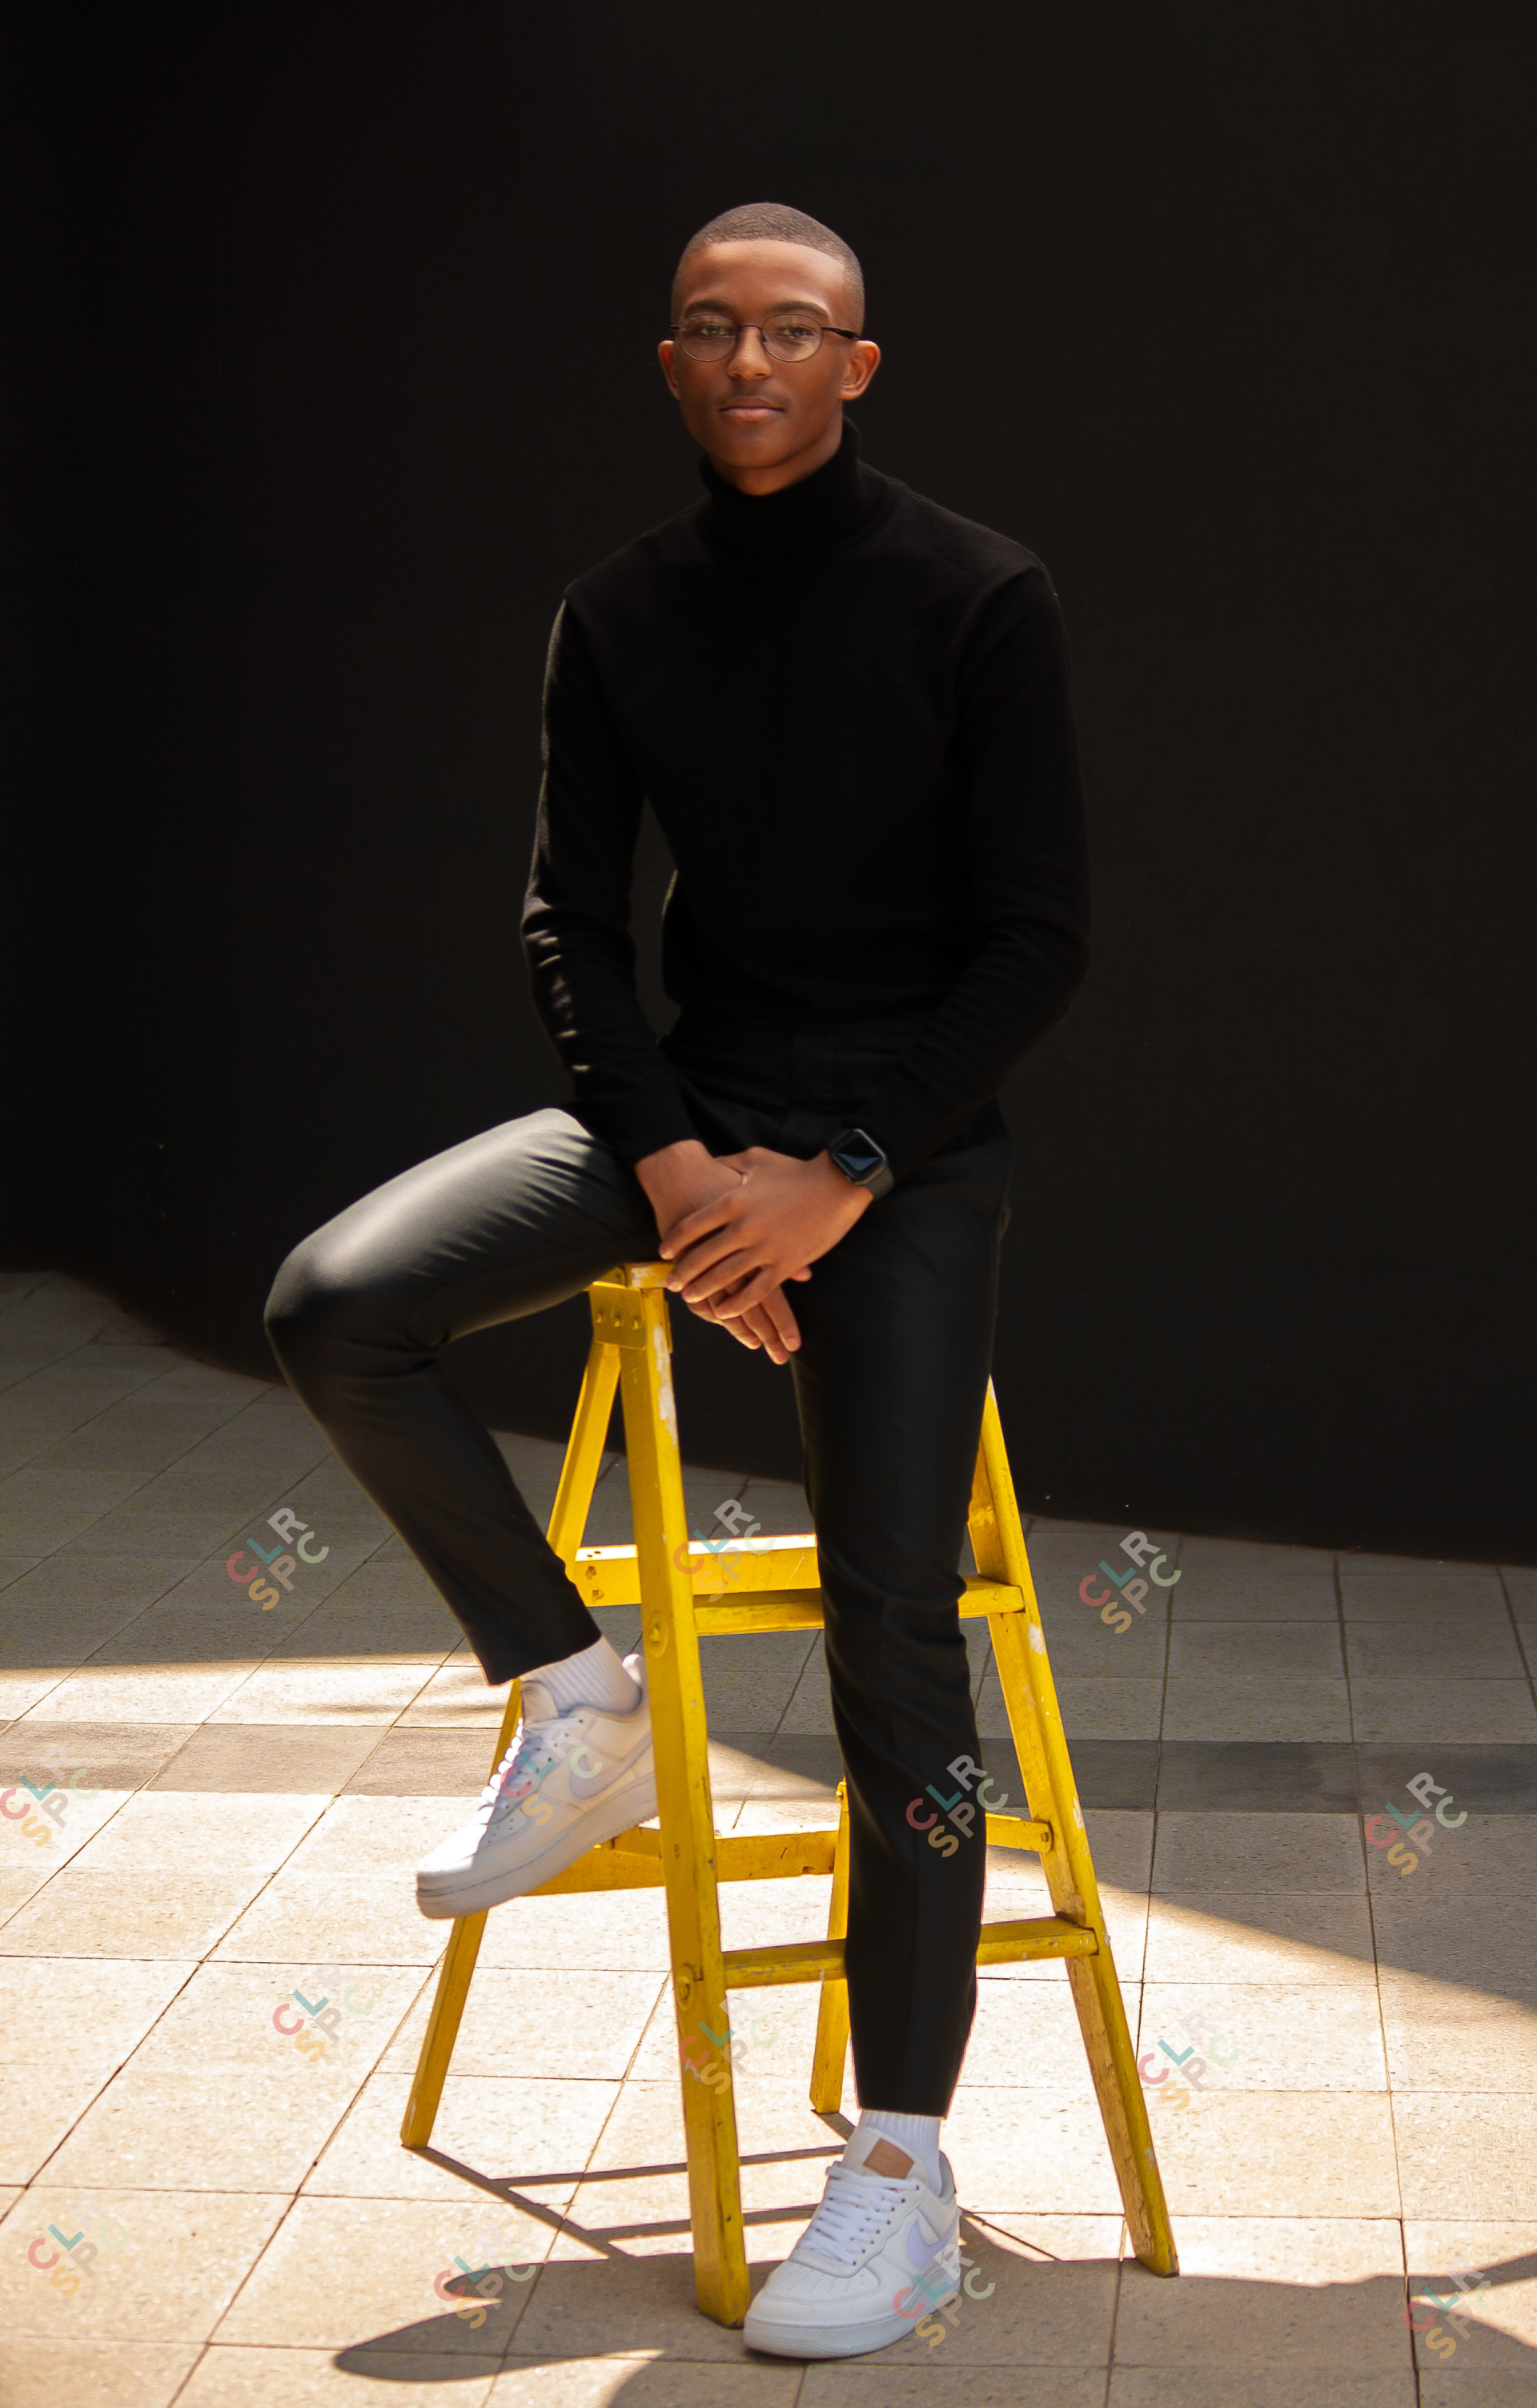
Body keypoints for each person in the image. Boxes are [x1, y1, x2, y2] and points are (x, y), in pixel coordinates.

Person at [264, 199, 1089, 2360]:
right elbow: (567, 926)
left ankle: (899, 2163)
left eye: (793, 330)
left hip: (891, 1155)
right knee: (337, 1304)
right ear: (668, 363)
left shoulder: (979, 594)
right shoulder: (618, 610)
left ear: (858, 366)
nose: (751, 361)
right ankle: (575, 1699)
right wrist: (680, 1166)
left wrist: (836, 1174)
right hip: (684, 1122)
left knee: (892, 1629)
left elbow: (1038, 939)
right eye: (713, 329)